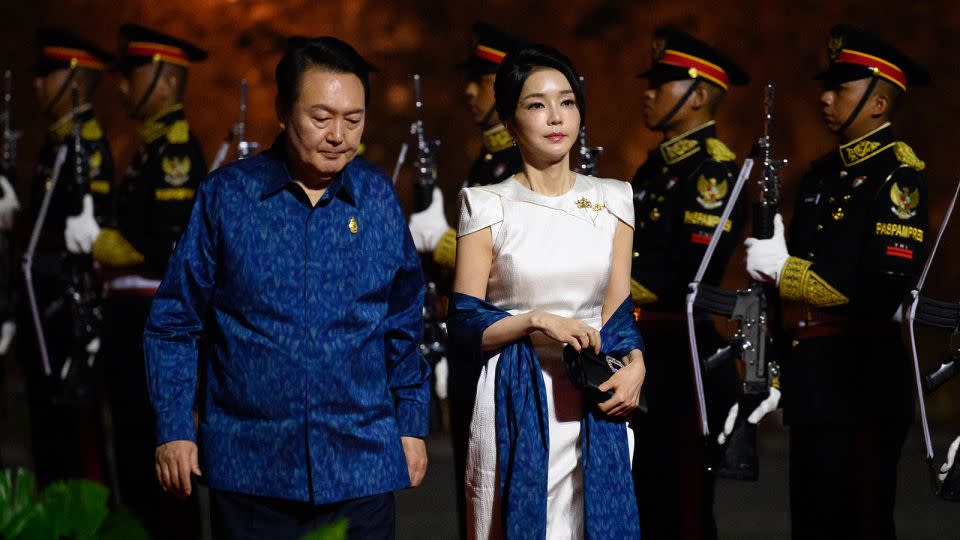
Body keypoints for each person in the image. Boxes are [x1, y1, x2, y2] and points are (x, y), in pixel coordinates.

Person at [143, 36, 431, 539]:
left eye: (354, 119)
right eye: (321, 118)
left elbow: (404, 317)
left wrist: (411, 421)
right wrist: (173, 427)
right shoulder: (227, 198)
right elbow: (174, 322)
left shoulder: (377, 198)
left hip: (360, 465)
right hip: (252, 470)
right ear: (281, 111)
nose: (339, 135)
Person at [448, 44, 645, 539]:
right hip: (515, 397)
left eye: (568, 101)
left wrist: (637, 363)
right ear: (511, 123)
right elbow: (466, 322)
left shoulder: (613, 198)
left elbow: (618, 315)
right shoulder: (486, 204)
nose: (556, 116)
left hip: (595, 396)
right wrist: (536, 320)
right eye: (536, 104)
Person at [744, 25, 928, 538]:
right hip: (814, 384)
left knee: (860, 523)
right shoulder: (820, 176)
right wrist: (774, 363)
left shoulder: (899, 175)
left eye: (840, 88)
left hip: (861, 384)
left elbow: (881, 286)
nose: (824, 98)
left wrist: (786, 271)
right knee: (812, 522)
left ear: (878, 102)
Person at [61, 23, 208, 537]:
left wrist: (99, 243)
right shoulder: (147, 150)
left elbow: (164, 247)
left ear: (167, 81)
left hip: (153, 318)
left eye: (135, 74)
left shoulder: (175, 153)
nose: (122, 86)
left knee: (159, 465)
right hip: (130, 322)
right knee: (131, 457)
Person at [627, 27, 750, 539]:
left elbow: (680, 274)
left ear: (698, 95)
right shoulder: (654, 167)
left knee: (682, 510)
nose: (648, 92)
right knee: (644, 501)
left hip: (683, 359)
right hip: (643, 351)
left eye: (663, 83)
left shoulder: (712, 172)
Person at [406, 20, 525, 539]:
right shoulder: (486, 160)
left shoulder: (516, 160)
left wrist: (444, 240)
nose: (470, 90)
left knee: (503, 484)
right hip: (475, 342)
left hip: (506, 341)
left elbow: (514, 255)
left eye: (483, 79)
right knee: (476, 485)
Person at [19, 27, 114, 486]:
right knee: (48, 433)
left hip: (69, 306)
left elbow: (84, 233)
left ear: (74, 81)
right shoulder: (55, 144)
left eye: (48, 74)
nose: (38, 84)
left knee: (76, 441)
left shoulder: (85, 147)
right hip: (43, 306)